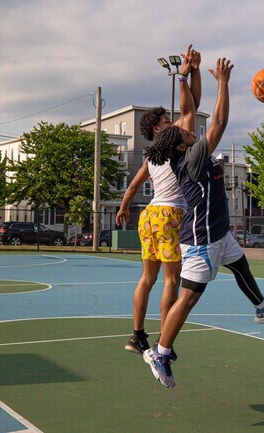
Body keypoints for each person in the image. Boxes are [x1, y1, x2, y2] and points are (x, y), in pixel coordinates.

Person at [141, 57, 264, 387]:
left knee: (240, 266)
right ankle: (160, 352)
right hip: (201, 238)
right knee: (190, 297)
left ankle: (262, 306)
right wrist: (223, 82)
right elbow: (219, 121)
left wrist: (187, 76)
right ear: (180, 144)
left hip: (219, 231)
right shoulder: (191, 158)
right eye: (183, 131)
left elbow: (189, 109)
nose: (188, 128)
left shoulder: (186, 149)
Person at [116, 45, 201, 355]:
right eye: (167, 119)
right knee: (171, 280)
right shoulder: (175, 143)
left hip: (148, 216)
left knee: (147, 277)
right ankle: (165, 342)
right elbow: (191, 110)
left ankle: (136, 335)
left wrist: (125, 206)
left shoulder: (150, 156)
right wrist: (185, 76)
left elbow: (132, 186)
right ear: (157, 127)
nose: (171, 121)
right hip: (170, 215)